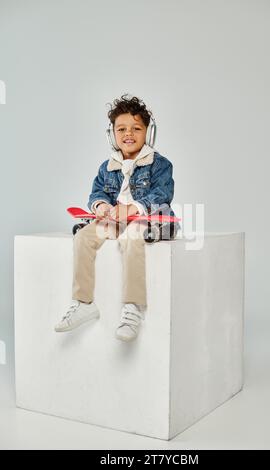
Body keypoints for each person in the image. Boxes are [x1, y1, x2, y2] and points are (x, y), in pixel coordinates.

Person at [54, 94, 180, 341]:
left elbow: (162, 193)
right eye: (121, 129)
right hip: (115, 220)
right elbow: (97, 191)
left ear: (148, 133)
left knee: (132, 239)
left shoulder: (160, 164)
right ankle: (84, 302)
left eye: (136, 128)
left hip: (147, 219)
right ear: (112, 134)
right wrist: (100, 205)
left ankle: (133, 307)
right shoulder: (107, 166)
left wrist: (133, 208)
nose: (128, 134)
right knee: (83, 237)